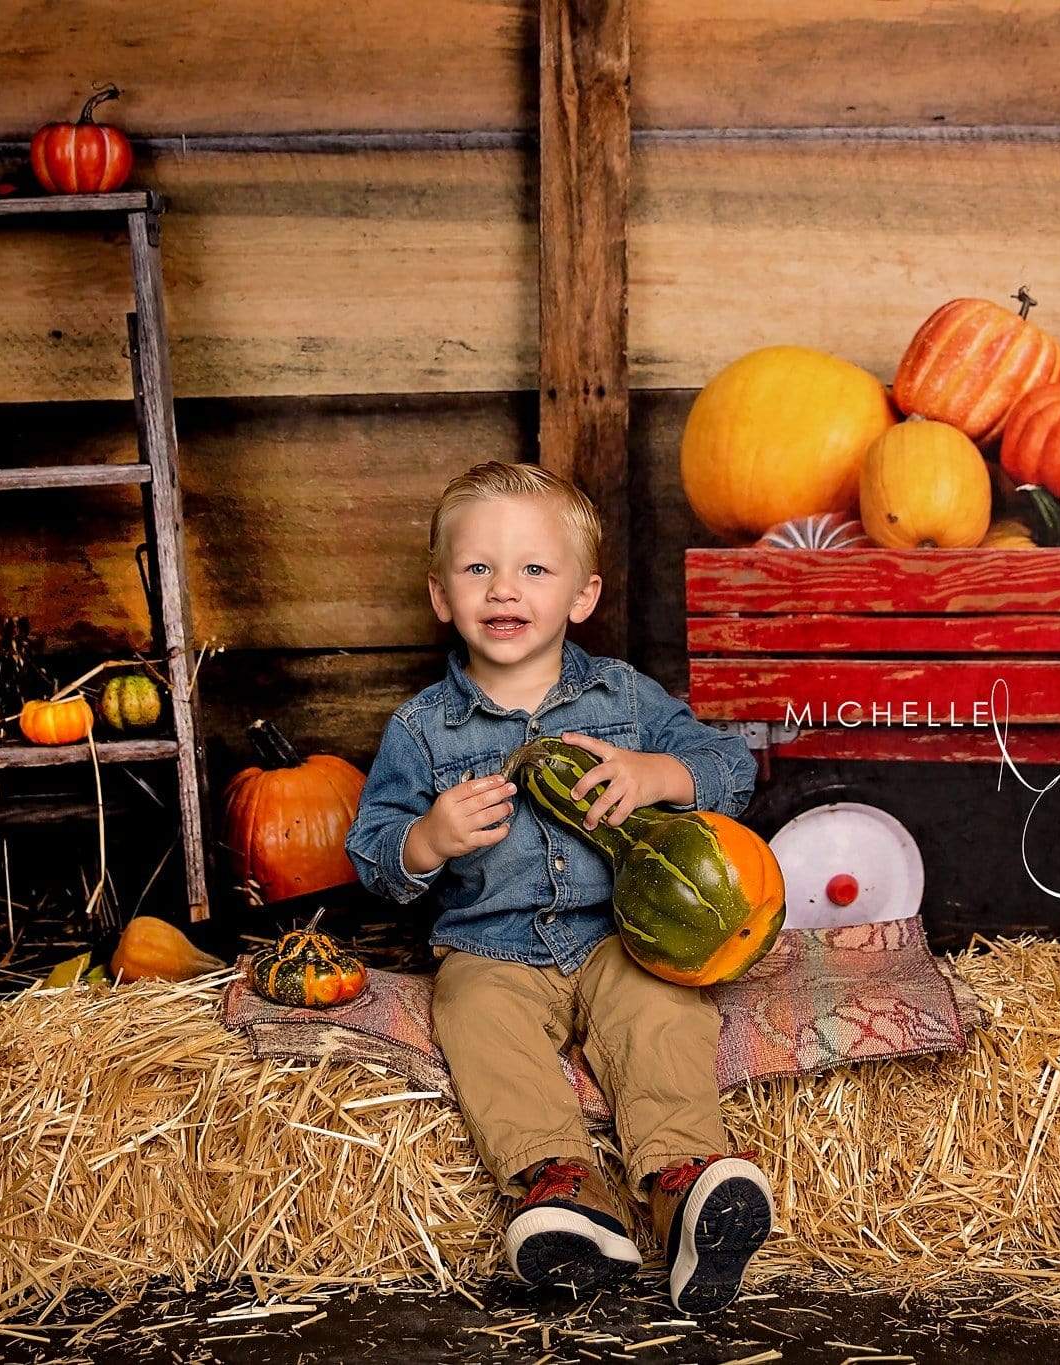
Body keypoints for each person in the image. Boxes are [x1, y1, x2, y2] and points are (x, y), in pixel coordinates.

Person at [344, 461, 771, 1313]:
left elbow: (731, 764)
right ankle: (563, 1190)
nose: (505, 588)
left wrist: (657, 773)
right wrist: (427, 837)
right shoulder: (424, 728)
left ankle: (685, 1186)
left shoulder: (624, 696)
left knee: (663, 1011)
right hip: (489, 948)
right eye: (478, 569)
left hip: (620, 935)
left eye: (534, 568)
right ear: (441, 595)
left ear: (582, 595)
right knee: (473, 1016)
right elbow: (372, 851)